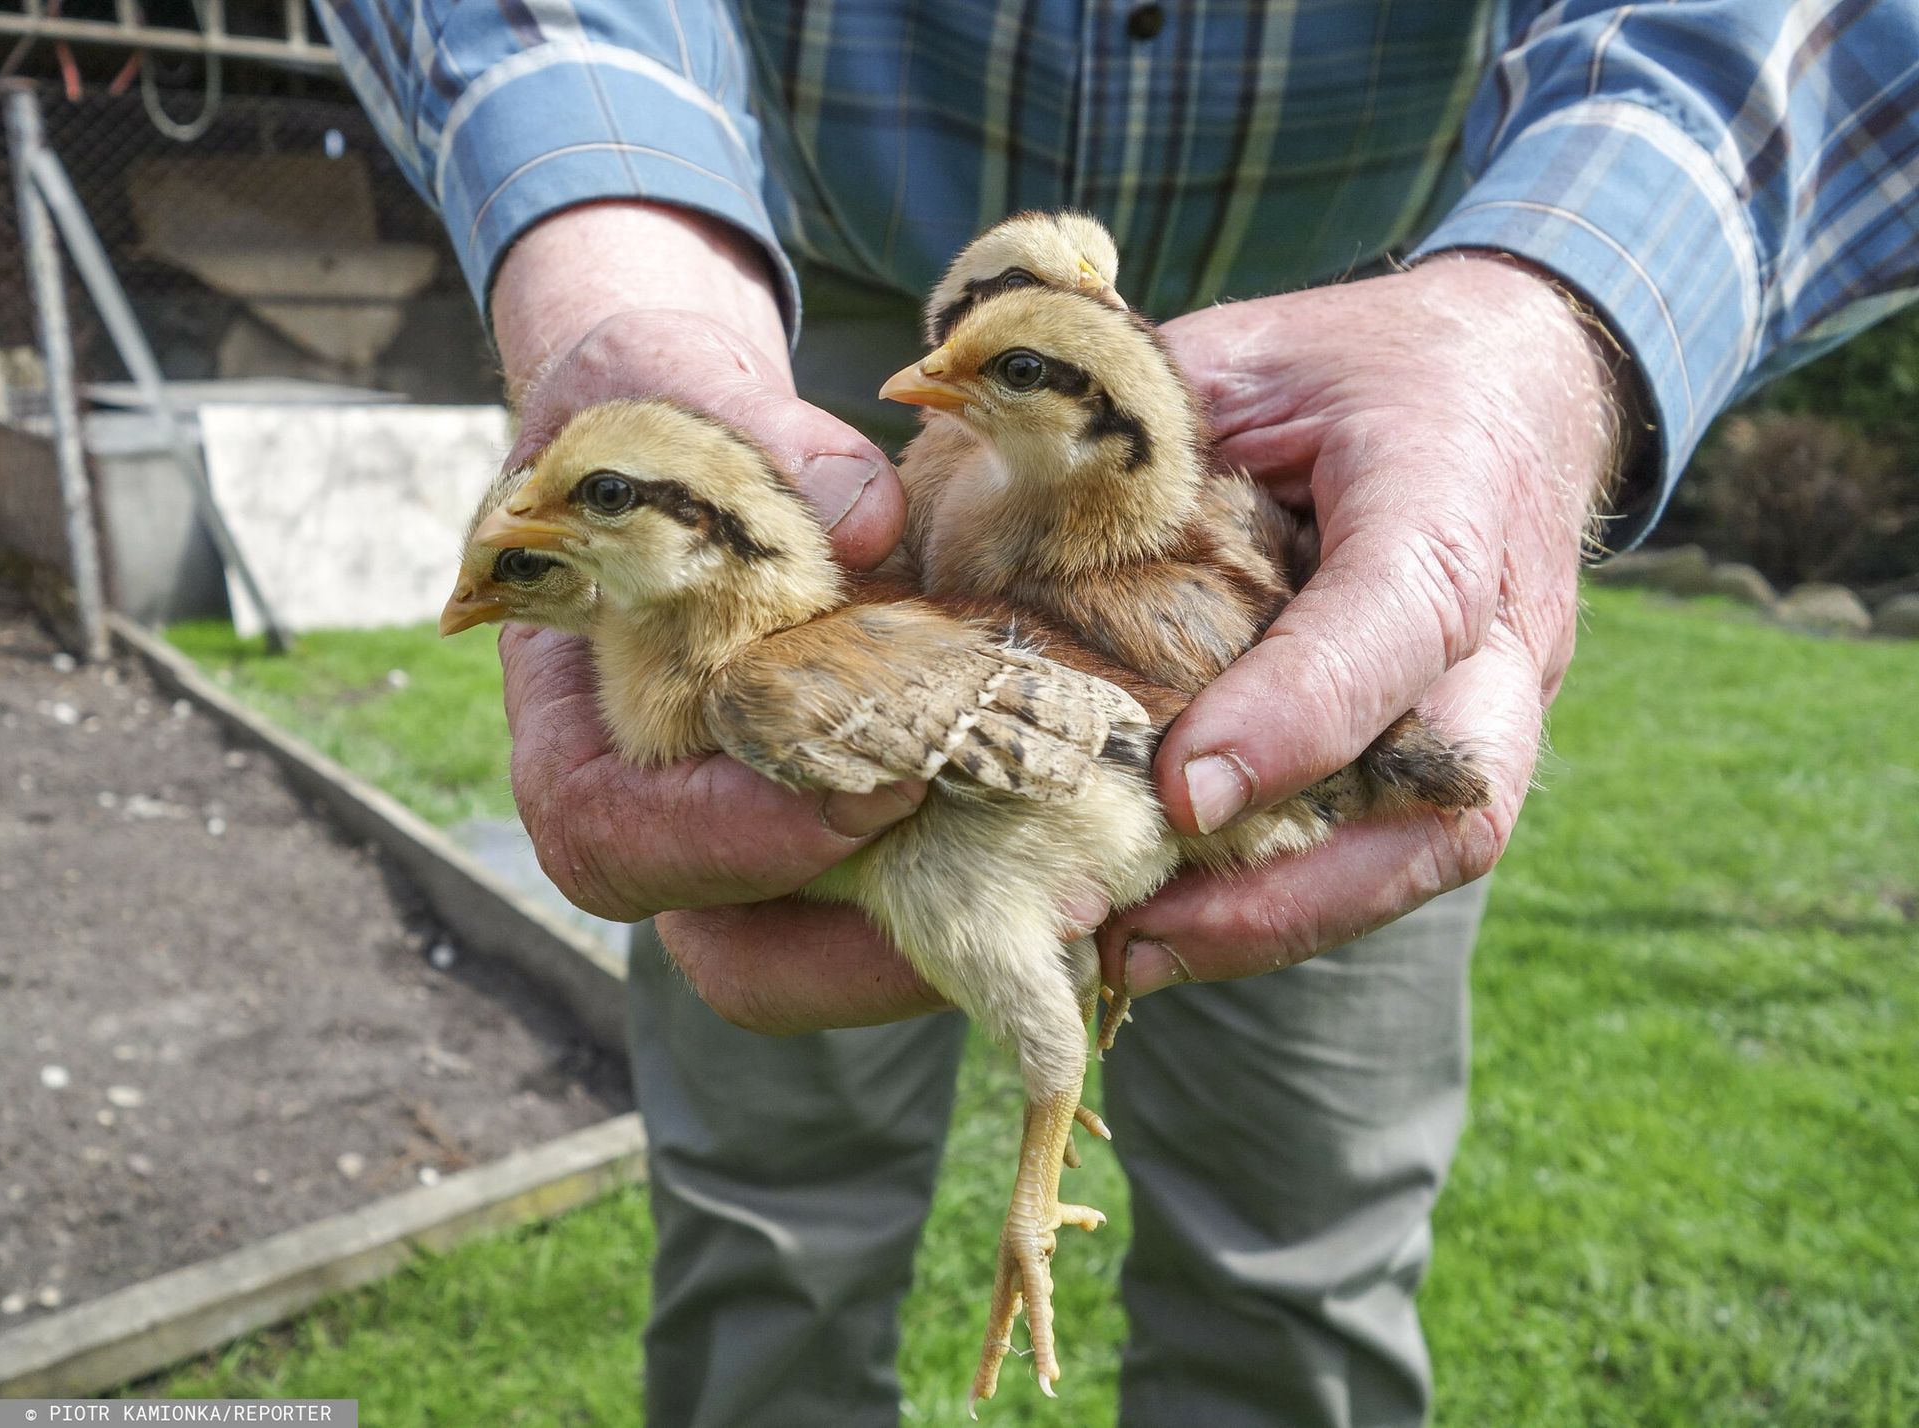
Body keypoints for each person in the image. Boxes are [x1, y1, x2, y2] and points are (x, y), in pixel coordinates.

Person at [322, 3, 1918, 1423]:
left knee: (1299, 1221)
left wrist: (1543, 323)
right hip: (789, 315)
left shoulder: (1136, 517)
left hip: (1364, 383)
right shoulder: (839, 520)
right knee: (767, 1180)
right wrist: (611, 256)